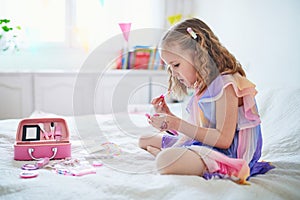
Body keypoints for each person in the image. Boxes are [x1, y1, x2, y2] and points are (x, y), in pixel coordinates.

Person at [138, 18, 274, 184]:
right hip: (208, 145)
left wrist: (175, 123)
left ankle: (228, 169)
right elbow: (199, 131)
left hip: (230, 155)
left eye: (176, 65)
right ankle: (173, 156)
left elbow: (223, 140)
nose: (173, 73)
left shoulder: (226, 85)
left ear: (198, 54)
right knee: (144, 140)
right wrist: (168, 117)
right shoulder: (203, 87)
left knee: (165, 160)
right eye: (170, 67)